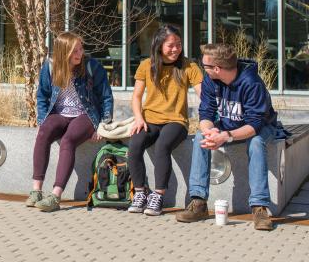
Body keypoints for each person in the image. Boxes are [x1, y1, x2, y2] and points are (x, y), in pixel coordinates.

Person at [175, 43, 278, 231]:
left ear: (217, 68)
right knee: (200, 137)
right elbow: (206, 113)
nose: (202, 69)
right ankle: (198, 202)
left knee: (256, 143)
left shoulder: (251, 83)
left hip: (261, 127)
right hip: (228, 127)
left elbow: (254, 126)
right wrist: (210, 131)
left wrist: (226, 136)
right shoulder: (210, 81)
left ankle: (259, 207)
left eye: (204, 65)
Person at [26, 31, 114, 212]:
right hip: (59, 114)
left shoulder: (92, 66)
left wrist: (103, 125)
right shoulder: (50, 67)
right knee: (43, 133)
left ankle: (56, 195)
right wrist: (42, 120)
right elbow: (42, 96)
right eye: (75, 51)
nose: (79, 54)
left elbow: (106, 97)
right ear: (63, 51)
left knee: (68, 140)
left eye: (80, 49)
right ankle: (36, 191)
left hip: (86, 115)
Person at [127, 24, 203, 216]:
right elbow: (136, 97)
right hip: (149, 119)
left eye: (178, 44)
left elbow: (204, 95)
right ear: (159, 45)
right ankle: (140, 192)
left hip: (176, 121)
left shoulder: (189, 66)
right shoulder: (146, 65)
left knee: (162, 146)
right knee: (135, 144)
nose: (175, 49)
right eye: (171, 45)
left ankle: (158, 195)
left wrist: (209, 119)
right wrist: (138, 118)